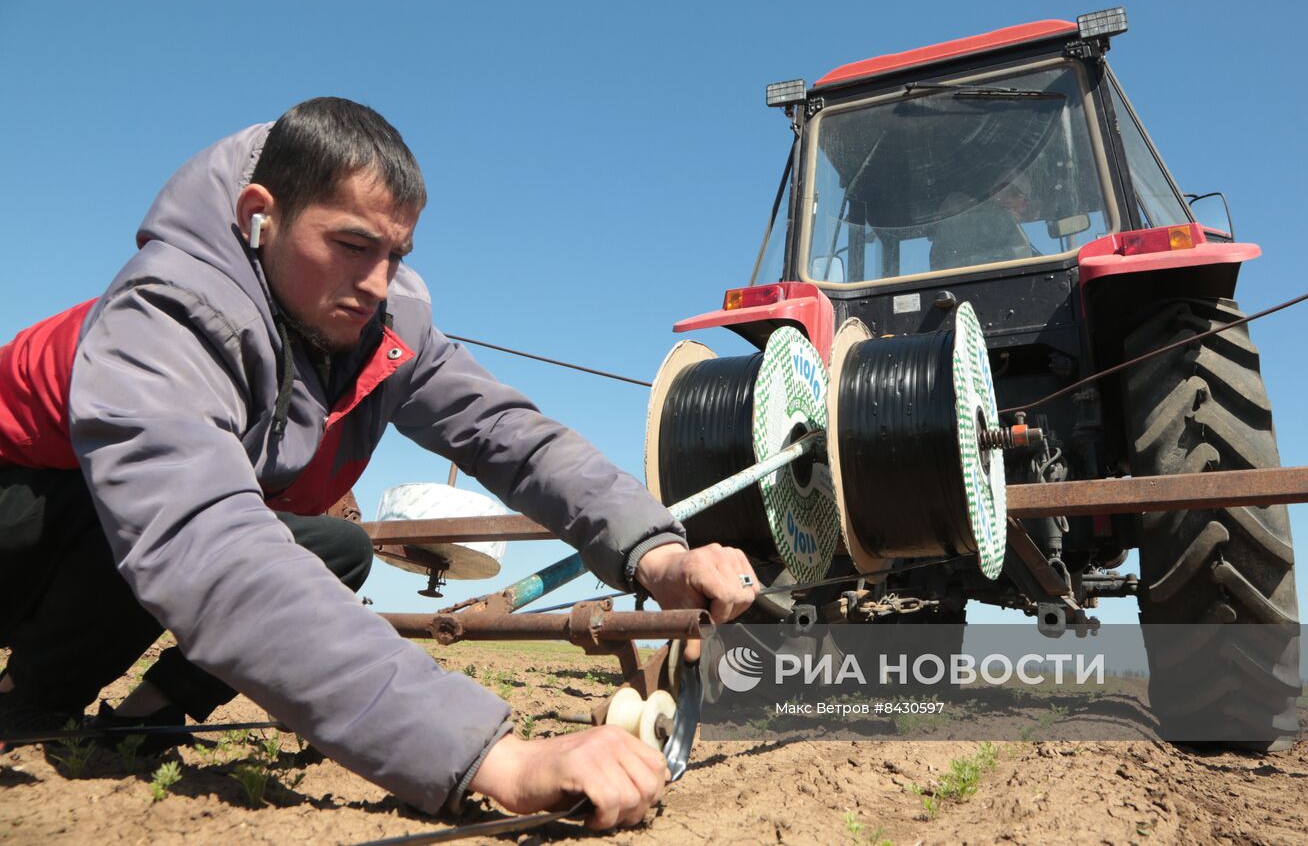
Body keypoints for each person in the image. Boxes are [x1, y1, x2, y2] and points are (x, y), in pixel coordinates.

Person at [0, 97, 758, 830]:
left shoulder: (382, 328)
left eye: (395, 254)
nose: (375, 284)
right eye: (353, 245)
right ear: (257, 215)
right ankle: (28, 702)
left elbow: (512, 434)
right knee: (157, 527)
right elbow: (203, 544)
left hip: (113, 529)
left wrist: (654, 552)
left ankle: (141, 720)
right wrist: (491, 754)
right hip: (28, 508)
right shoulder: (166, 314)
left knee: (338, 548)